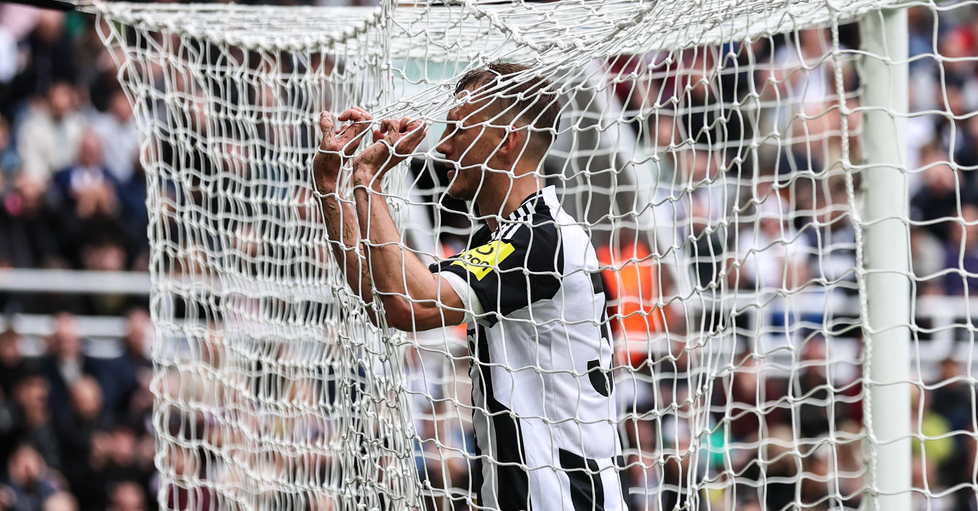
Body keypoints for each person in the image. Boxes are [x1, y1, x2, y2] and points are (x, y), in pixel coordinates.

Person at [312, 62, 625, 510]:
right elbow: (382, 297)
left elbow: (409, 305)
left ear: (506, 142)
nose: (441, 146)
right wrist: (331, 186)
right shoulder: (502, 238)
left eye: (458, 129)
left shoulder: (542, 238)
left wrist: (369, 180)